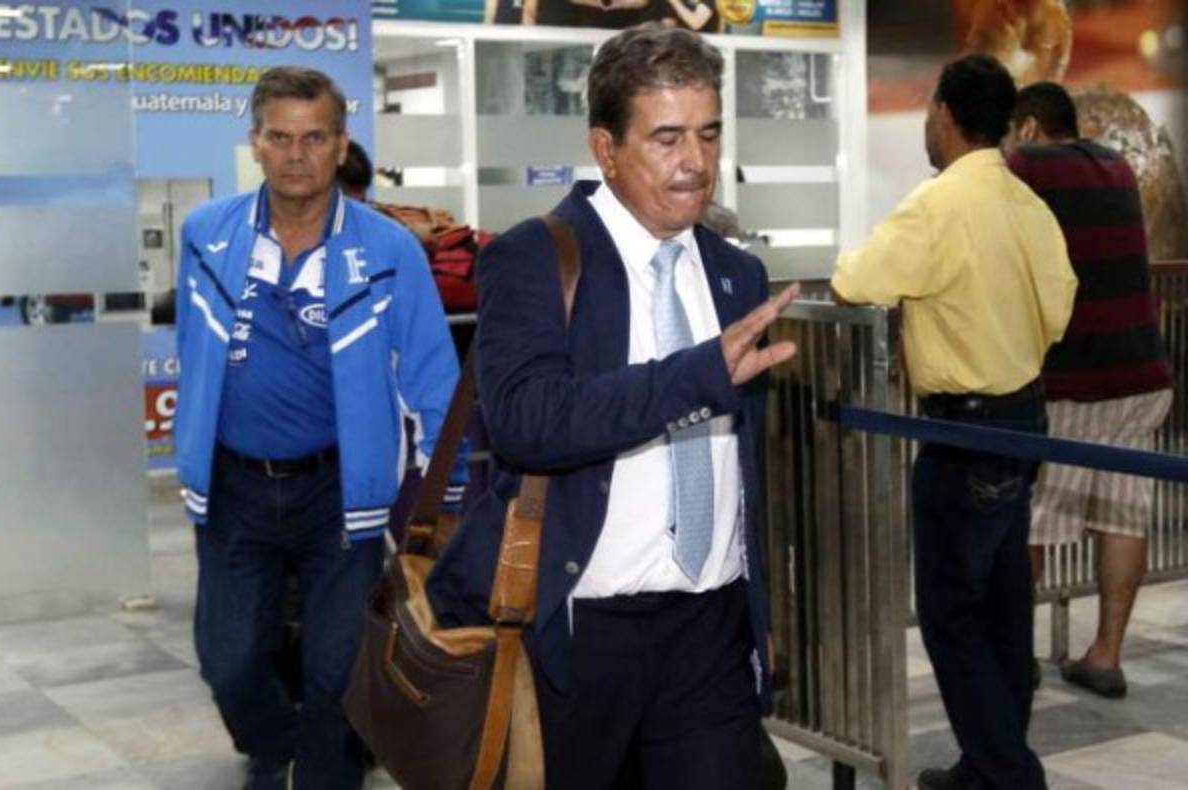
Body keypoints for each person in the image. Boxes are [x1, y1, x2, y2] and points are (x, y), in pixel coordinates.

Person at [428, 25, 799, 789]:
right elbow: (530, 422)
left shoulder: (738, 274)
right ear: (606, 147)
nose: (695, 162)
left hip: (709, 628)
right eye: (666, 138)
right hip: (577, 635)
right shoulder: (537, 257)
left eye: (707, 133)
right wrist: (698, 375)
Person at [174, 66, 464, 789]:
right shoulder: (207, 234)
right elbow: (194, 350)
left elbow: (434, 377)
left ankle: (324, 770)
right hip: (234, 486)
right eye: (280, 137)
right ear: (256, 143)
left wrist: (447, 495)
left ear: (340, 145)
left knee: (338, 670)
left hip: (341, 492)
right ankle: (279, 746)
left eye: (314, 138)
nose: (296, 154)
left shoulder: (389, 250)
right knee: (230, 661)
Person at [831, 54, 1076, 790]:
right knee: (1002, 605)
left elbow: (855, 281)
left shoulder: (937, 205)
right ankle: (986, 766)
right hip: (1022, 418)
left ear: (943, 114)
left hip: (961, 432)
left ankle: (1007, 772)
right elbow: (1059, 308)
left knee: (950, 616)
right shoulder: (1026, 202)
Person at [1006, 81, 1173, 699]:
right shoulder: (1117, 165)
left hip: (1074, 378)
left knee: (1036, 521)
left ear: (1025, 127)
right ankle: (1105, 655)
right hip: (1142, 372)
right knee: (1123, 513)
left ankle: (1012, 655)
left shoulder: (1025, 165)